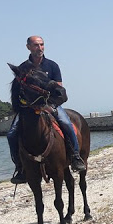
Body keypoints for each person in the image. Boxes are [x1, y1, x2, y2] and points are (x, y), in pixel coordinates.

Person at [7, 35, 86, 184]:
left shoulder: (52, 65)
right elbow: (18, 92)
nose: (40, 48)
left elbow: (58, 88)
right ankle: (20, 167)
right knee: (11, 134)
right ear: (28, 47)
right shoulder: (23, 68)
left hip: (50, 105)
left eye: (42, 45)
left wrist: (48, 104)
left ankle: (75, 156)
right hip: (29, 107)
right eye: (36, 45)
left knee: (66, 123)